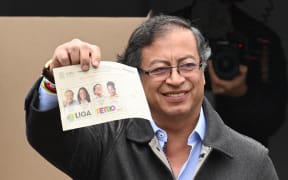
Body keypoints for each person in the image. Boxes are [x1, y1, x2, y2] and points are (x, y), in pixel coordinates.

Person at [24, 15, 279, 179]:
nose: (176, 79)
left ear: (203, 72)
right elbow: (47, 137)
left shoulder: (252, 161)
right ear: (136, 78)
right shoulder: (107, 144)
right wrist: (54, 79)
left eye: (188, 65)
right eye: (159, 69)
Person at [149, 0, 287, 147]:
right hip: (172, 153)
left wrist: (241, 95)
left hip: (238, 156)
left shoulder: (259, 40)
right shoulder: (160, 34)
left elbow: (271, 120)